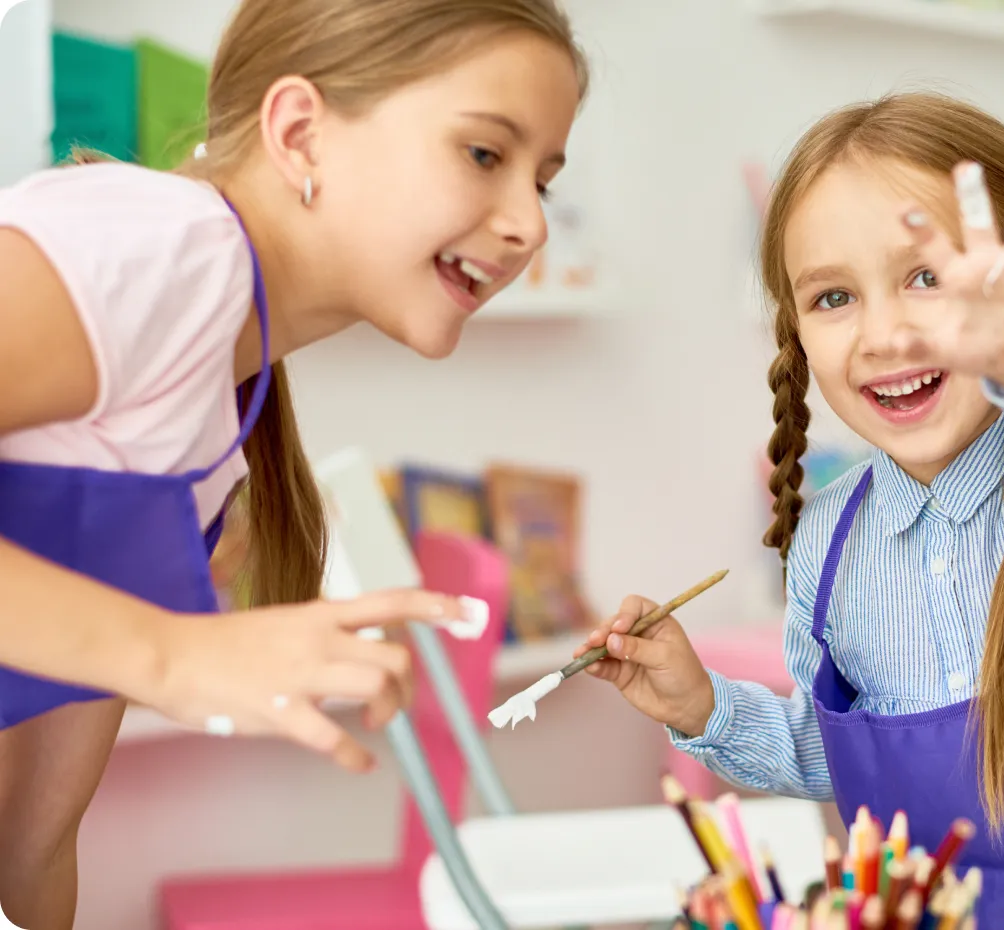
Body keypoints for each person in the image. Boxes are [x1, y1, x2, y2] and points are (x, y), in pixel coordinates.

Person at [579, 93, 1004, 927]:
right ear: (794, 330)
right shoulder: (828, 543)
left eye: (927, 279)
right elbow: (838, 755)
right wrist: (704, 705)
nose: (883, 333)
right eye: (834, 297)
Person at [0, 0, 587, 925]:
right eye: (485, 154)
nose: (529, 226)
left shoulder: (222, 407)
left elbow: (34, 839)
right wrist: (174, 653)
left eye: (544, 182)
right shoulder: (160, 245)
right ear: (300, 132)